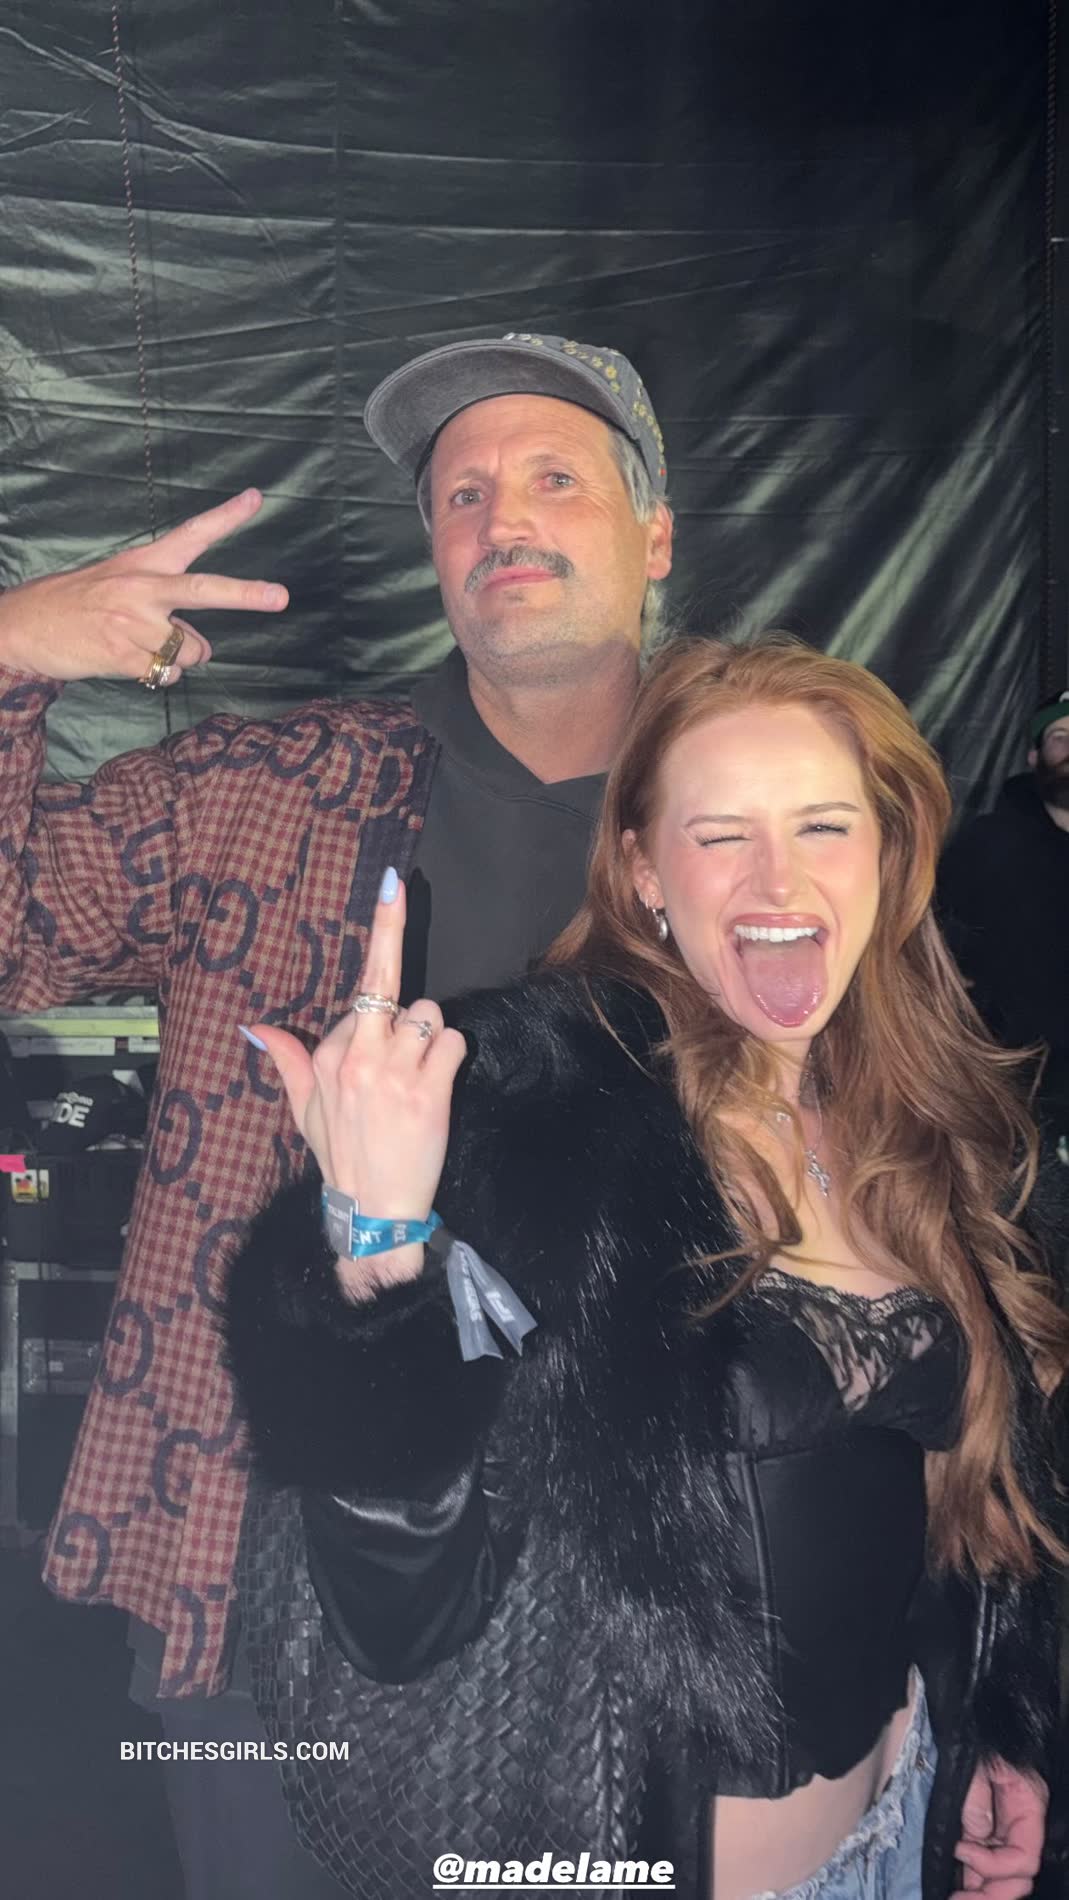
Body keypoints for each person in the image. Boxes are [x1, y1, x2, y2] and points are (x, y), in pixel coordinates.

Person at [226, 635, 1068, 1900]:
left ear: (888, 855)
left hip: (904, 1825)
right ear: (641, 870)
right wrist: (377, 1242)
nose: (779, 876)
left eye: (825, 825)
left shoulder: (931, 1124)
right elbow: (393, 1619)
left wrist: (998, 1716)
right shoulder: (537, 1124)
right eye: (722, 833)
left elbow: (967, 1496)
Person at [0, 332, 671, 1897]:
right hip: (262, 1580)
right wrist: (10, 651)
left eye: (553, 477)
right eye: (461, 494)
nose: (501, 518)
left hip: (629, 1597)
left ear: (653, 537)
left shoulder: (743, 827)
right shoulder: (271, 790)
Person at [938, 690, 1069, 1154]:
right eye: (1060, 736)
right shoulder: (988, 845)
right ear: (1034, 755)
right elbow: (933, 940)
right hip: (1020, 1089)